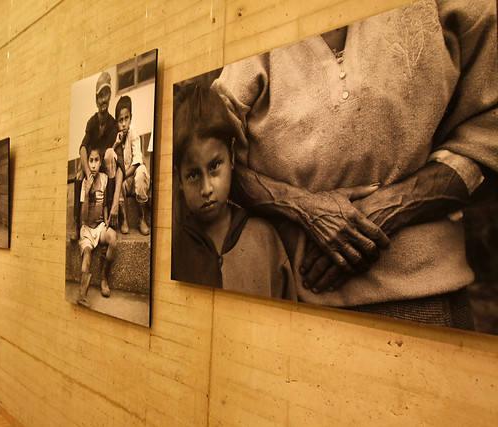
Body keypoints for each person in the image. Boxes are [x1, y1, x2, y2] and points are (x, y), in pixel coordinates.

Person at [210, 0, 498, 328]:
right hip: (297, 301)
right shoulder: (257, 27)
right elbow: (212, 156)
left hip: (429, 300)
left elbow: (487, 132)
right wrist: (300, 206)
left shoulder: (446, 8)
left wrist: (390, 207)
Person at [172, 84, 295, 299]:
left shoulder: (266, 240)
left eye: (214, 167)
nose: (207, 188)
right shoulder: (174, 252)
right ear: (179, 179)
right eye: (193, 175)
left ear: (230, 155)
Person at [74, 71, 124, 240]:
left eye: (106, 94)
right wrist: (88, 173)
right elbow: (83, 148)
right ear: (96, 100)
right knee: (78, 176)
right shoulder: (92, 122)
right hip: (92, 168)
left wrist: (117, 200)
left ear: (110, 96)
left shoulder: (113, 125)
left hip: (105, 174)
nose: (103, 99)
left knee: (110, 157)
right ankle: (76, 224)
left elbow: (120, 165)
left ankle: (109, 217)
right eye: (100, 96)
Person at [76, 148, 118, 307]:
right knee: (87, 254)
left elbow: (105, 204)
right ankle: (82, 293)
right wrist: (86, 194)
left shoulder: (105, 179)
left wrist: (107, 218)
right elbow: (83, 217)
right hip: (87, 229)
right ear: (87, 163)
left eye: (96, 160)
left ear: (101, 162)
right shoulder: (85, 183)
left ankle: (103, 277)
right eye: (90, 161)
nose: (93, 165)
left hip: (100, 227)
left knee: (113, 239)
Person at [113, 95, 151, 235]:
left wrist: (124, 175)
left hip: (133, 176)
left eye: (126, 118)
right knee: (119, 181)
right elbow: (112, 160)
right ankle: (124, 219)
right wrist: (116, 143)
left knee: (141, 172)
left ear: (131, 117)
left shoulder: (133, 131)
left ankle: (141, 218)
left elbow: (137, 160)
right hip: (125, 183)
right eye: (120, 120)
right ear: (116, 122)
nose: (123, 123)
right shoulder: (116, 135)